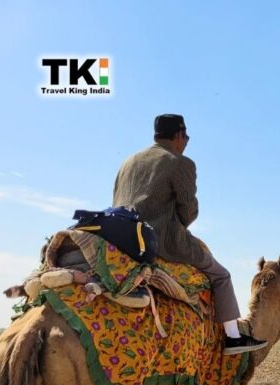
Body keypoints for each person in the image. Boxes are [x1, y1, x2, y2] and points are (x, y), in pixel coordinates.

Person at [113, 114, 265, 355]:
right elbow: (188, 212)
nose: (186, 143)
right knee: (221, 275)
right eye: (186, 137)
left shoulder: (128, 162)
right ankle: (233, 338)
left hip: (120, 237)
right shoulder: (180, 162)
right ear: (178, 136)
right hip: (161, 241)